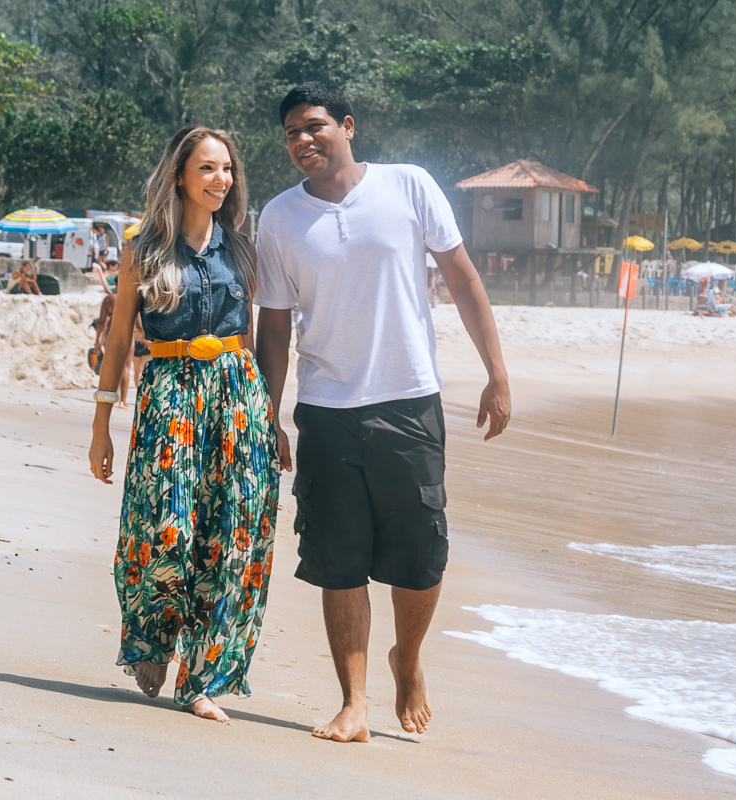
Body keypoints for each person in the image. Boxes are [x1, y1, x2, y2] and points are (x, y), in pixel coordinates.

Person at [254, 81, 510, 743]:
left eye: (314, 126)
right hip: (326, 406)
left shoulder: (409, 185)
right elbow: (275, 327)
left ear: (347, 125)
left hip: (408, 399)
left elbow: (463, 279)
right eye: (291, 133)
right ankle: (354, 702)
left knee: (421, 555)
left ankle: (409, 657)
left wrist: (496, 375)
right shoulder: (280, 217)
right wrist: (269, 412)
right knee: (338, 558)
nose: (303, 141)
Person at [88, 124, 279, 723]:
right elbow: (119, 340)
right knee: (166, 527)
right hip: (170, 394)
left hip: (237, 396)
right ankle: (150, 634)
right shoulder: (143, 249)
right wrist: (100, 426)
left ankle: (203, 678)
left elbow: (256, 336)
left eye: (228, 169)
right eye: (207, 168)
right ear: (179, 176)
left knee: (232, 533)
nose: (222, 179)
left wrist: (273, 419)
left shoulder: (243, 250)